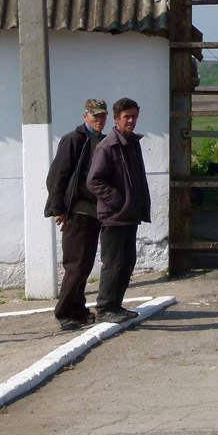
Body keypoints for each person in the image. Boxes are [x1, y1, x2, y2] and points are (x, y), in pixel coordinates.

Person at [44, 98, 107, 331]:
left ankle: (78, 309)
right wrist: (58, 208)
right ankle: (64, 313)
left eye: (102, 116)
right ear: (85, 116)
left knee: (85, 264)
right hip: (77, 210)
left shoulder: (102, 140)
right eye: (95, 116)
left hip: (94, 211)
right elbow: (57, 175)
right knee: (76, 264)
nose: (99, 120)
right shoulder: (74, 139)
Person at [86, 97, 151, 323]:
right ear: (116, 119)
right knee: (113, 263)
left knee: (127, 262)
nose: (131, 121)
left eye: (134, 116)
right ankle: (105, 308)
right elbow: (94, 181)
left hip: (129, 215)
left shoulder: (132, 143)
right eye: (127, 117)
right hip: (114, 216)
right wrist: (119, 202)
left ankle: (116, 305)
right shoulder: (107, 146)